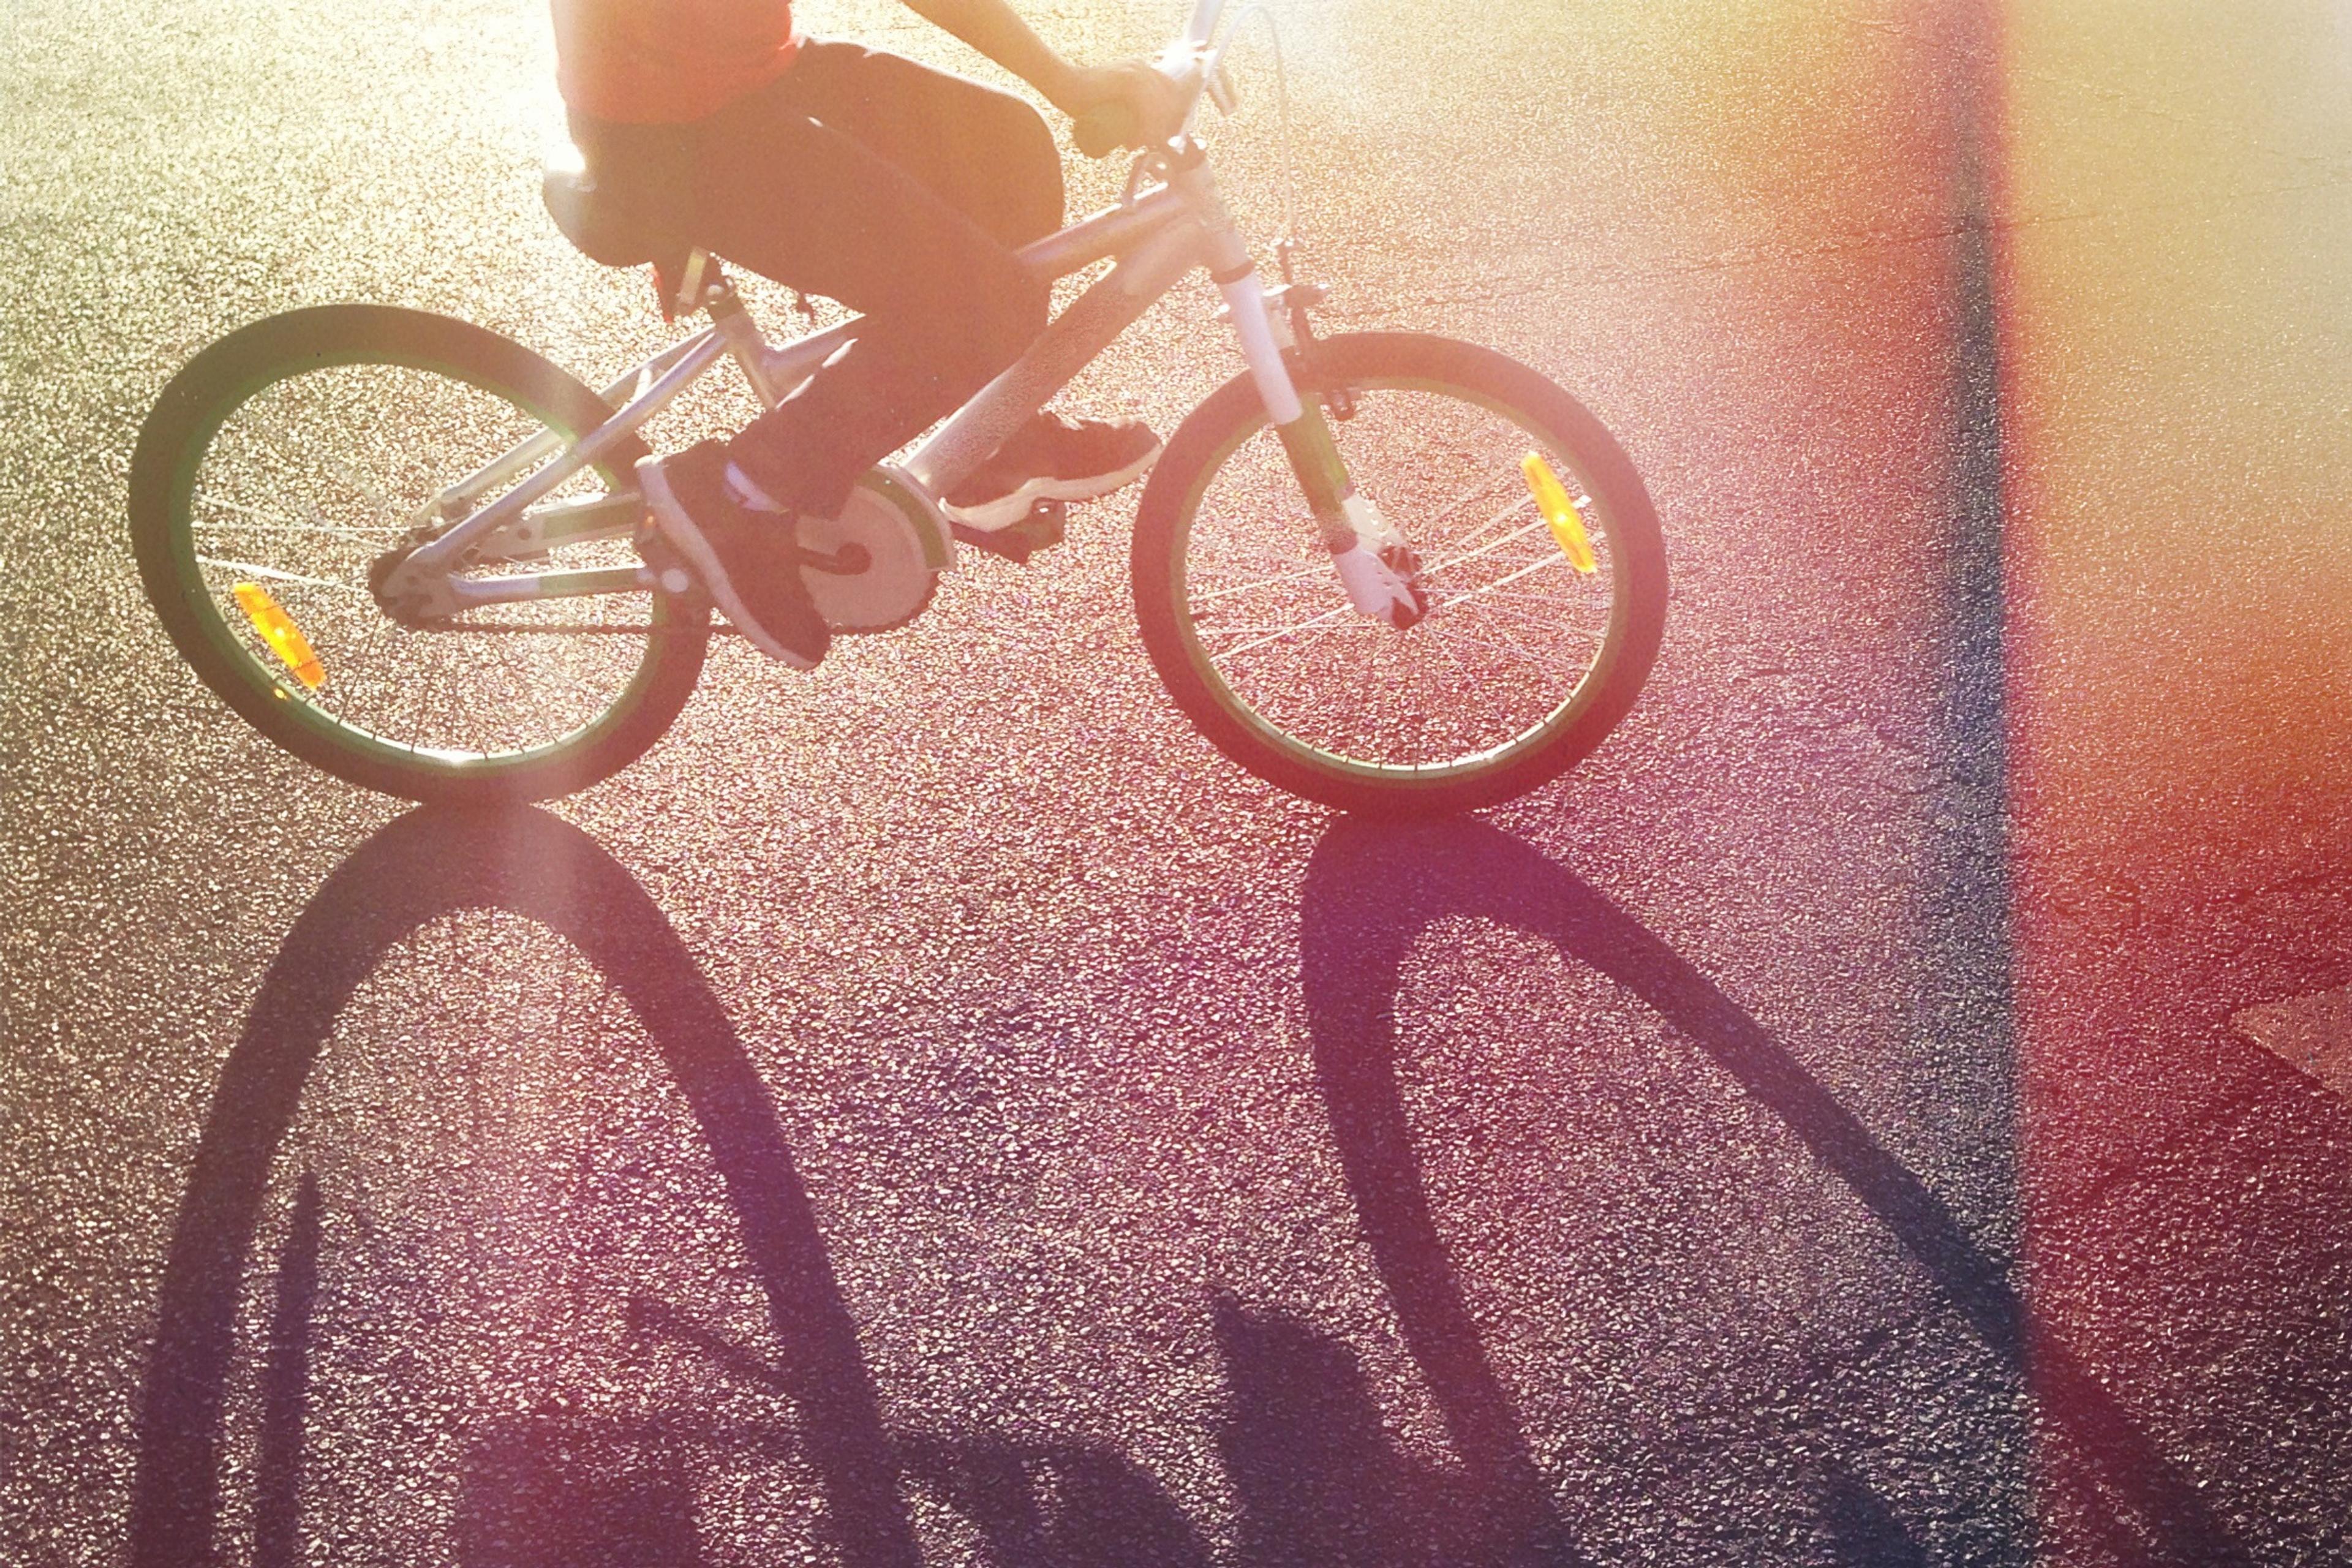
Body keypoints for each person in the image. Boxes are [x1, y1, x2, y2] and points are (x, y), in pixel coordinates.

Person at [551, 0, 1186, 668]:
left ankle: (990, 435)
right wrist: (1069, 81)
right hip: (671, 127)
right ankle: (740, 492)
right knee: (984, 308)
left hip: (752, 74)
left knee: (1006, 147)